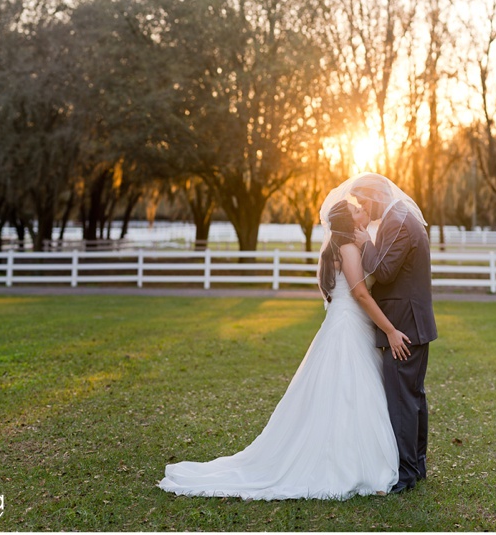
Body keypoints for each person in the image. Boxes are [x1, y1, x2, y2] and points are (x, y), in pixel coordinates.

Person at [158, 198, 411, 500]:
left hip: (346, 324)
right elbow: (360, 293)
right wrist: (390, 330)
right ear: (348, 220)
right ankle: (349, 464)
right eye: (357, 210)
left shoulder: (343, 247)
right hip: (348, 327)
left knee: (344, 394)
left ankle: (346, 455)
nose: (364, 211)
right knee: (348, 392)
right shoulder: (347, 249)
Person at [350, 172, 438, 494]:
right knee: (412, 397)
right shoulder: (398, 217)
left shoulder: (398, 221)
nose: (362, 207)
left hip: (404, 325)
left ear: (375, 197)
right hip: (410, 322)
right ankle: (417, 465)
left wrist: (364, 243)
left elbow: (384, 272)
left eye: (362, 201)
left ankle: (406, 475)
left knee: (403, 399)